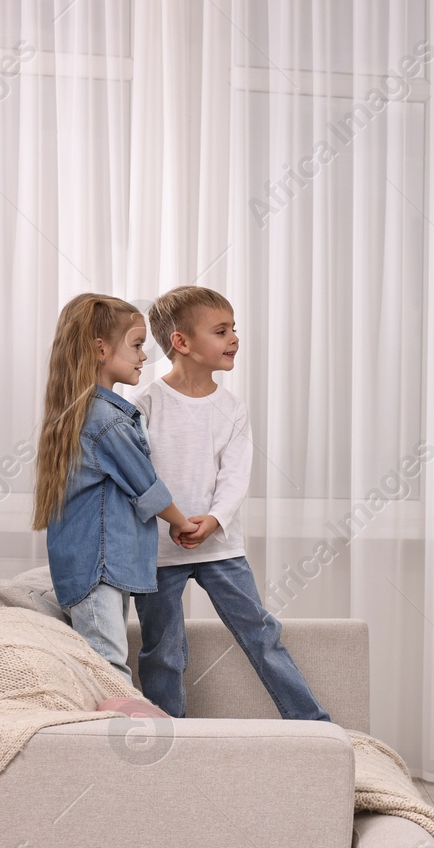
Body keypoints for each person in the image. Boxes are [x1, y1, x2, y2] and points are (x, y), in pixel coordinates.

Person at [133, 285, 330, 721]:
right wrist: (177, 521)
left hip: (221, 548)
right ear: (181, 343)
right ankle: (170, 736)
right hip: (159, 551)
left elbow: (236, 476)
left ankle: (313, 725)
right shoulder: (144, 403)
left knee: (261, 635)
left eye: (234, 329)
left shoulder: (233, 408)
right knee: (163, 649)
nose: (235, 339)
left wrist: (213, 520)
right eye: (221, 331)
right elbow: (138, 474)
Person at [33, 294, 200, 681]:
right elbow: (145, 485)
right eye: (138, 345)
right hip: (99, 567)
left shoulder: (86, 411)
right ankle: (111, 733)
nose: (144, 356)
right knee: (107, 666)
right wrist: (181, 523)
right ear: (101, 349)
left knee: (105, 661)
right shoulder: (105, 419)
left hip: (97, 566)